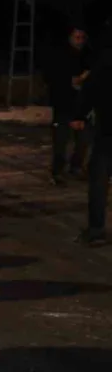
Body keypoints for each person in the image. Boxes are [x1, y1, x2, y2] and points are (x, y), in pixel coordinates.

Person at [72, 37, 112, 246]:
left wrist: (79, 114)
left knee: (98, 179)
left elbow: (91, 88)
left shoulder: (106, 60)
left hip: (108, 132)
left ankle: (96, 229)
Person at [44, 27, 92, 184]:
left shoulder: (86, 56)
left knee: (83, 140)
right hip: (64, 105)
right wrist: (74, 80)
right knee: (61, 141)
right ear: (70, 38)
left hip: (81, 107)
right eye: (76, 37)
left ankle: (76, 167)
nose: (79, 41)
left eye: (82, 37)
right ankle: (57, 172)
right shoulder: (61, 56)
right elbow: (57, 80)